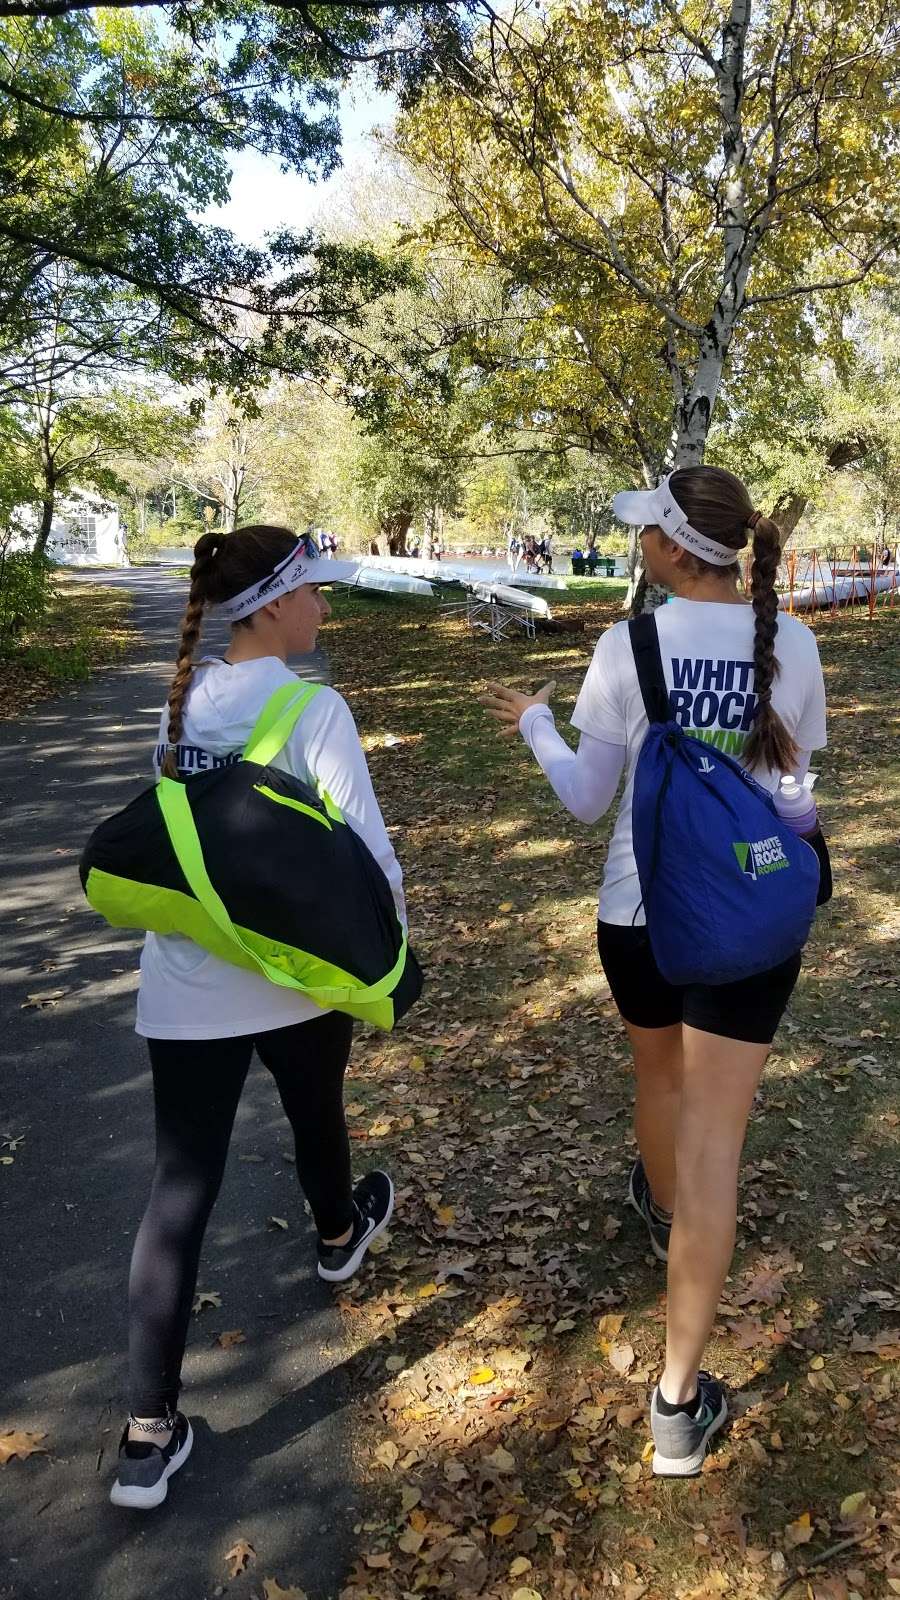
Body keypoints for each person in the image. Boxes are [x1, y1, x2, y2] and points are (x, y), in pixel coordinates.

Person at [478, 466, 826, 1477]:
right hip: (751, 922)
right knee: (718, 1136)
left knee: (659, 1082)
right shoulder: (793, 646)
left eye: (645, 535)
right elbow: (799, 800)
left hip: (638, 916)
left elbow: (589, 801)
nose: (636, 547)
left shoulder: (625, 646)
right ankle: (676, 1406)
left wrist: (537, 725)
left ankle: (670, 1220)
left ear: (677, 549)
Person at [110, 525, 405, 1511]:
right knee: (315, 1109)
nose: (325, 606)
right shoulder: (311, 707)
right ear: (275, 602)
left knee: (179, 1188)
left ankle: (148, 1433)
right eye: (315, 590)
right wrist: (390, 952)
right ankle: (336, 1231)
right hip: (291, 976)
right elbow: (367, 856)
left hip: (185, 982)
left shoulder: (178, 703)